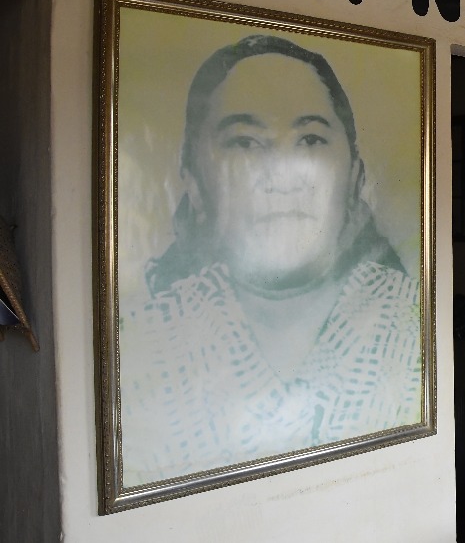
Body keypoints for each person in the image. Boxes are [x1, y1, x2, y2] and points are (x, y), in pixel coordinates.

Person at [119, 35, 422, 485]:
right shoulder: (143, 345)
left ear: (355, 176)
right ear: (195, 184)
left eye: (311, 139)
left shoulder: (411, 319)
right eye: (244, 143)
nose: (282, 175)